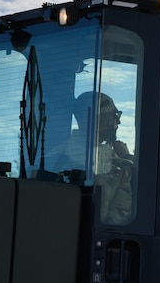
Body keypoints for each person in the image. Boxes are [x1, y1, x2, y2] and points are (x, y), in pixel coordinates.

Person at [57, 91, 134, 224]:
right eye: (114, 115)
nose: (118, 121)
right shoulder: (70, 156)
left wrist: (125, 158)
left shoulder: (104, 153)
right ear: (96, 118)